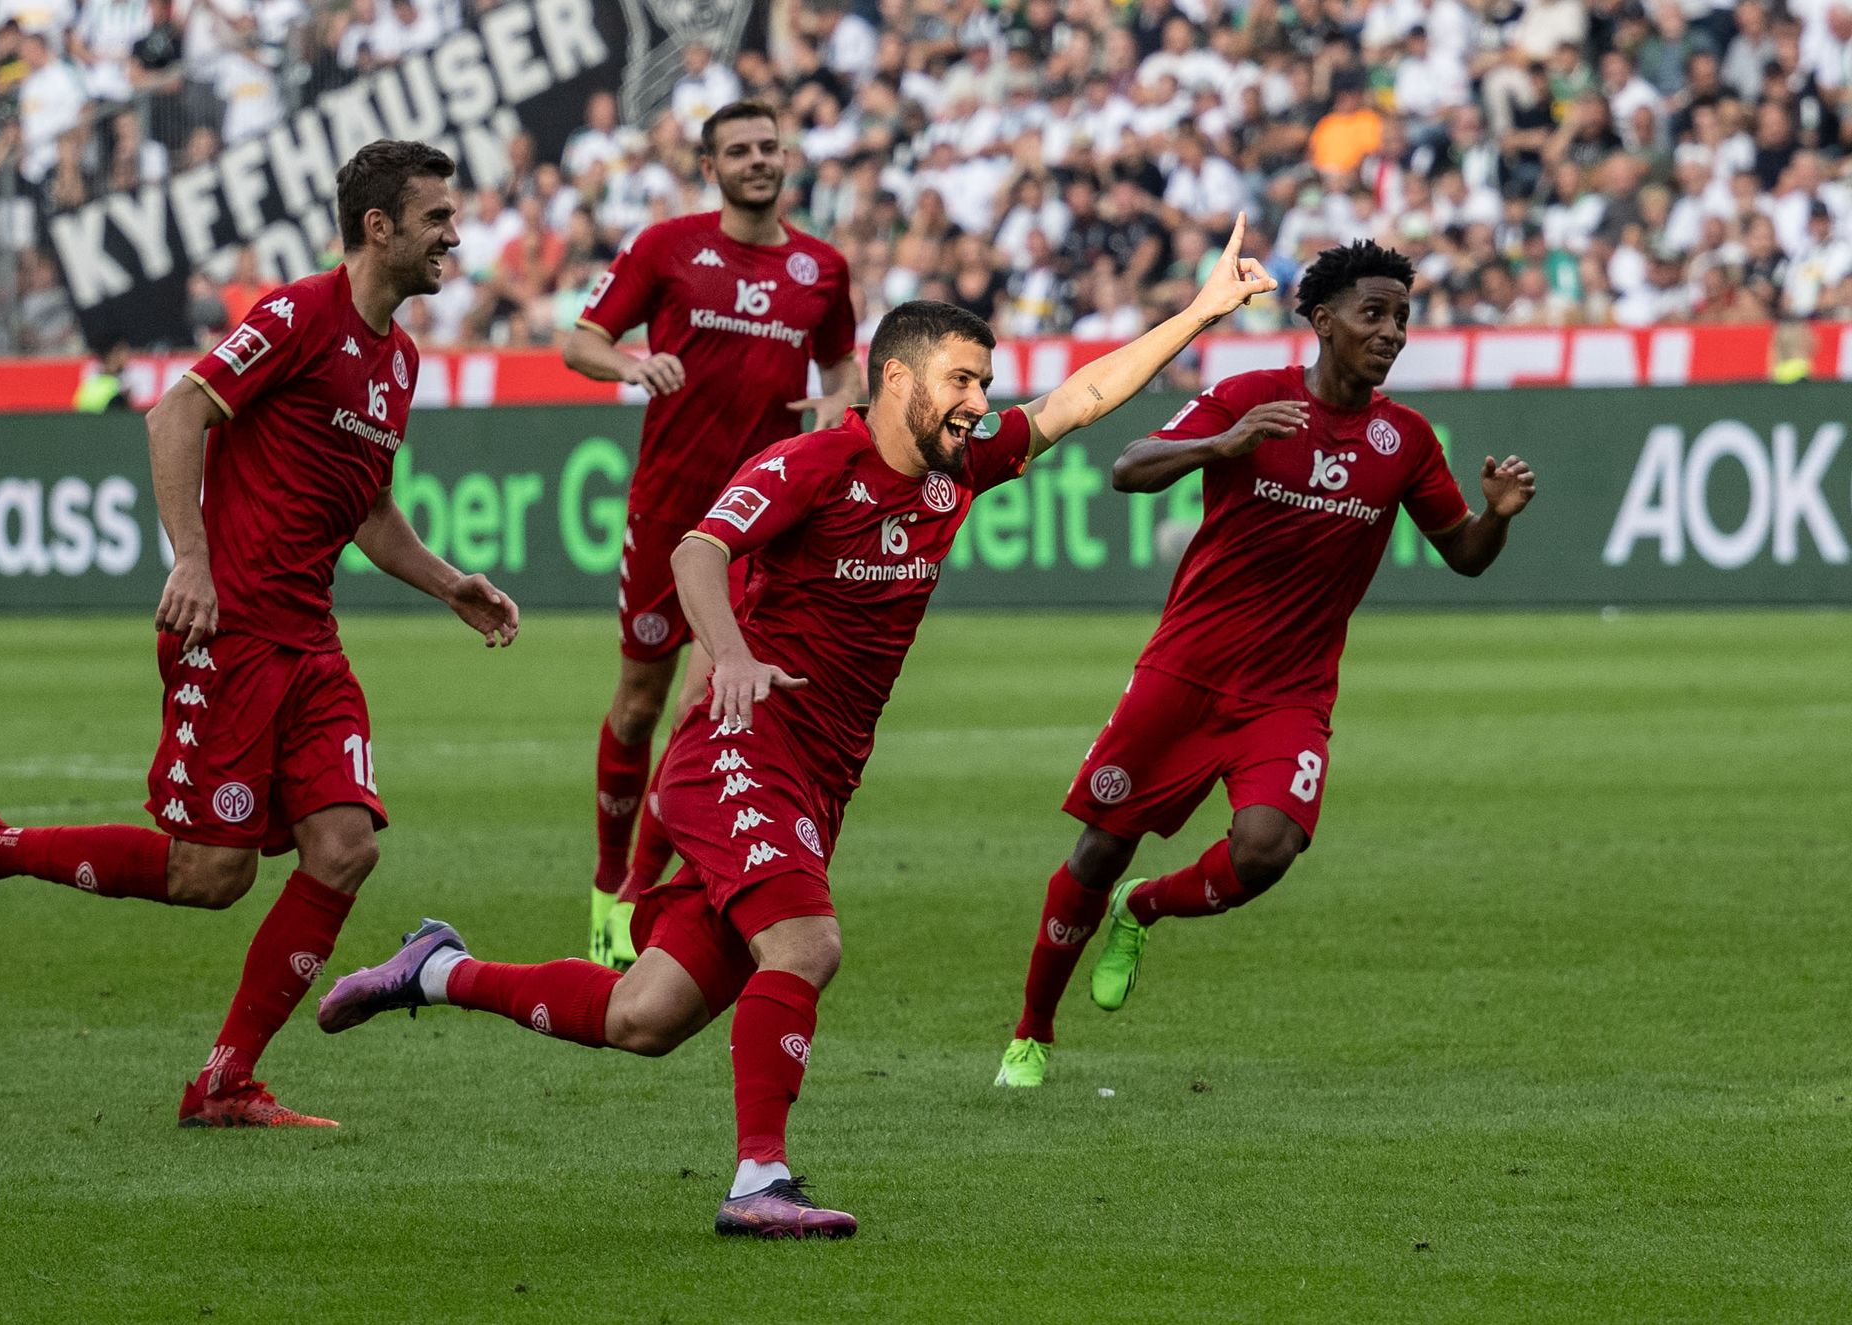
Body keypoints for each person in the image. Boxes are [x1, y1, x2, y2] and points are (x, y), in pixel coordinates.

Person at [316, 217, 1279, 1239]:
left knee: (642, 1017)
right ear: (896, 379)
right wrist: (726, 653)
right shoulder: (811, 465)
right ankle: (758, 1180)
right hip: (738, 747)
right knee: (806, 942)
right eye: (958, 379)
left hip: (817, 778)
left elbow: (1078, 399)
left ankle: (432, 967)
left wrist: (1201, 309)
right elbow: (696, 552)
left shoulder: (962, 468)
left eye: (982, 382)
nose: (976, 401)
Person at [0, 139, 521, 1128]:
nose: (456, 233)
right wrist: (190, 555)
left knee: (344, 846)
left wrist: (449, 585)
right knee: (209, 874)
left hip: (308, 640)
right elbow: (175, 411)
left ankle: (223, 1081)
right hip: (228, 633)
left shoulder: (397, 359)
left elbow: (367, 510)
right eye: (438, 218)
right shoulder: (296, 316)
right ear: (379, 227)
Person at [994, 241, 1539, 1089]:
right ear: (1323, 322)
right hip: (1184, 673)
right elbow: (1128, 468)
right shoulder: (1252, 398)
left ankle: (1146, 908)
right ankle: (1031, 1033)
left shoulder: (1407, 439)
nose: (1391, 330)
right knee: (1099, 848)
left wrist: (1497, 516)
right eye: (1374, 313)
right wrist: (1226, 444)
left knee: (1265, 850)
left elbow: (1464, 554)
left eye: (1401, 316)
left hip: (1289, 694)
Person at [562, 100, 860, 969]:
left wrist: (838, 401)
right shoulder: (668, 247)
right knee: (641, 703)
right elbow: (583, 341)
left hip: (763, 523)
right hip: (668, 511)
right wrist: (630, 363)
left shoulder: (822, 267)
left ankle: (633, 901)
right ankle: (606, 875)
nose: (759, 160)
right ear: (711, 164)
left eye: (770, 146)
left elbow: (840, 363)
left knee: (702, 703)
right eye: (741, 150)